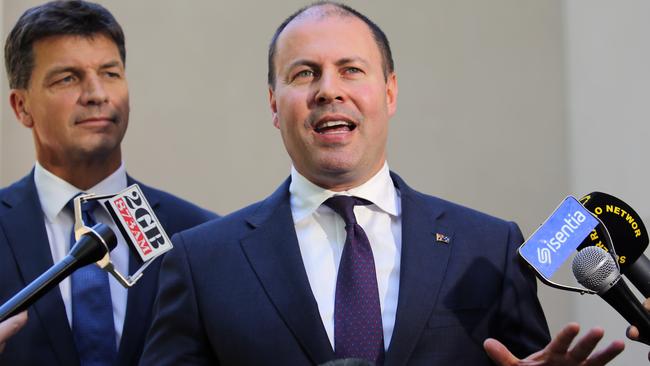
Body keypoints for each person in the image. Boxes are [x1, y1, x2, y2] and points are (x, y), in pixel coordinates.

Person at [141, 2, 623, 365]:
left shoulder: (487, 247)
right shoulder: (201, 263)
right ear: (273, 104)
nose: (328, 90)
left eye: (351, 69)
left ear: (389, 92)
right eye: (305, 73)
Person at [0, 1, 217, 365]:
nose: (97, 94)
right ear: (22, 107)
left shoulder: (198, 236)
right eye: (67, 78)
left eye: (110, 74)